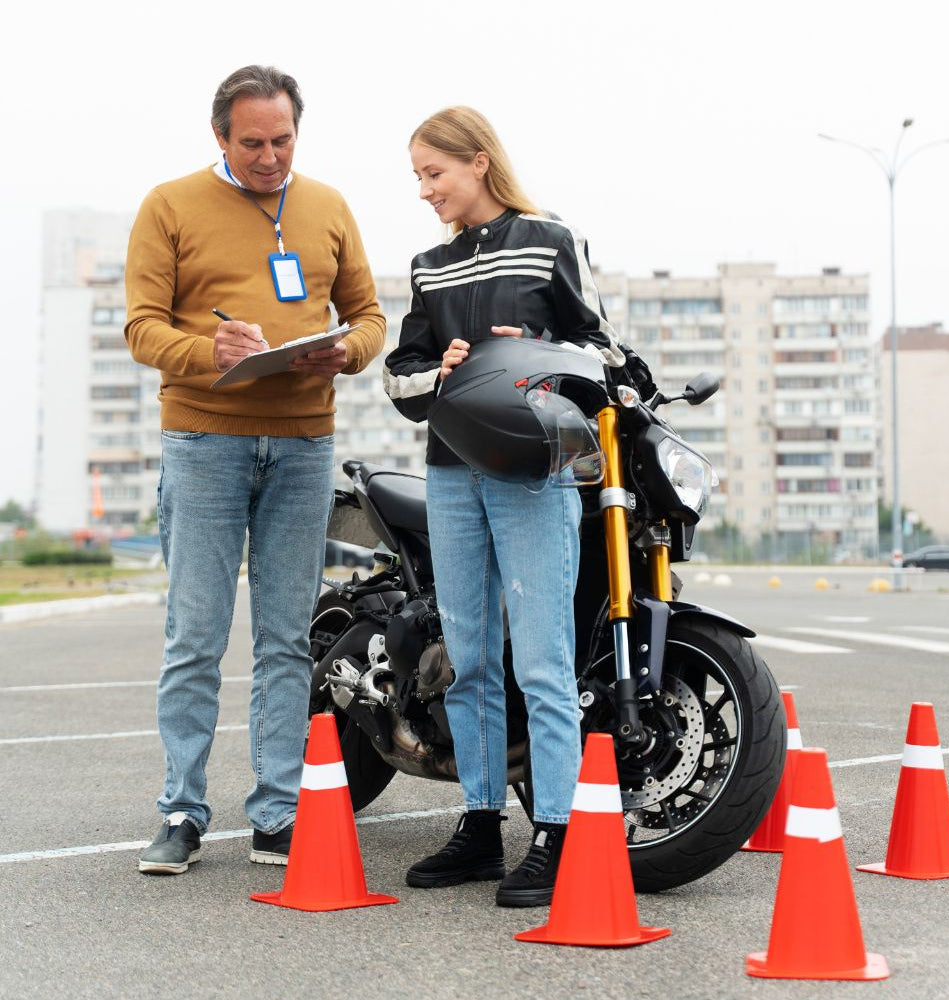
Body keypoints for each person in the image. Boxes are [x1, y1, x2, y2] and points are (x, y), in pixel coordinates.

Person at [125, 65, 385, 875]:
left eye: (283, 140)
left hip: (304, 445)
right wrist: (210, 352)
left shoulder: (329, 206)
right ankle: (181, 810)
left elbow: (371, 316)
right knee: (194, 637)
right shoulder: (169, 205)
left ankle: (277, 812)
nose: (270, 157)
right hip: (205, 442)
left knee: (285, 641)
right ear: (220, 137)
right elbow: (140, 328)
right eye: (253, 143)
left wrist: (349, 350)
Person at [383, 106, 624, 907]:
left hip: (532, 473)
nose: (424, 190)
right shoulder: (428, 266)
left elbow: (602, 351)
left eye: (434, 173)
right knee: (473, 658)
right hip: (451, 471)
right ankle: (480, 826)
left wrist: (535, 354)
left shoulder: (551, 240)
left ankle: (555, 832)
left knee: (544, 661)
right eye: (418, 177)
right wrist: (441, 367)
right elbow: (400, 378)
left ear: (478, 162)